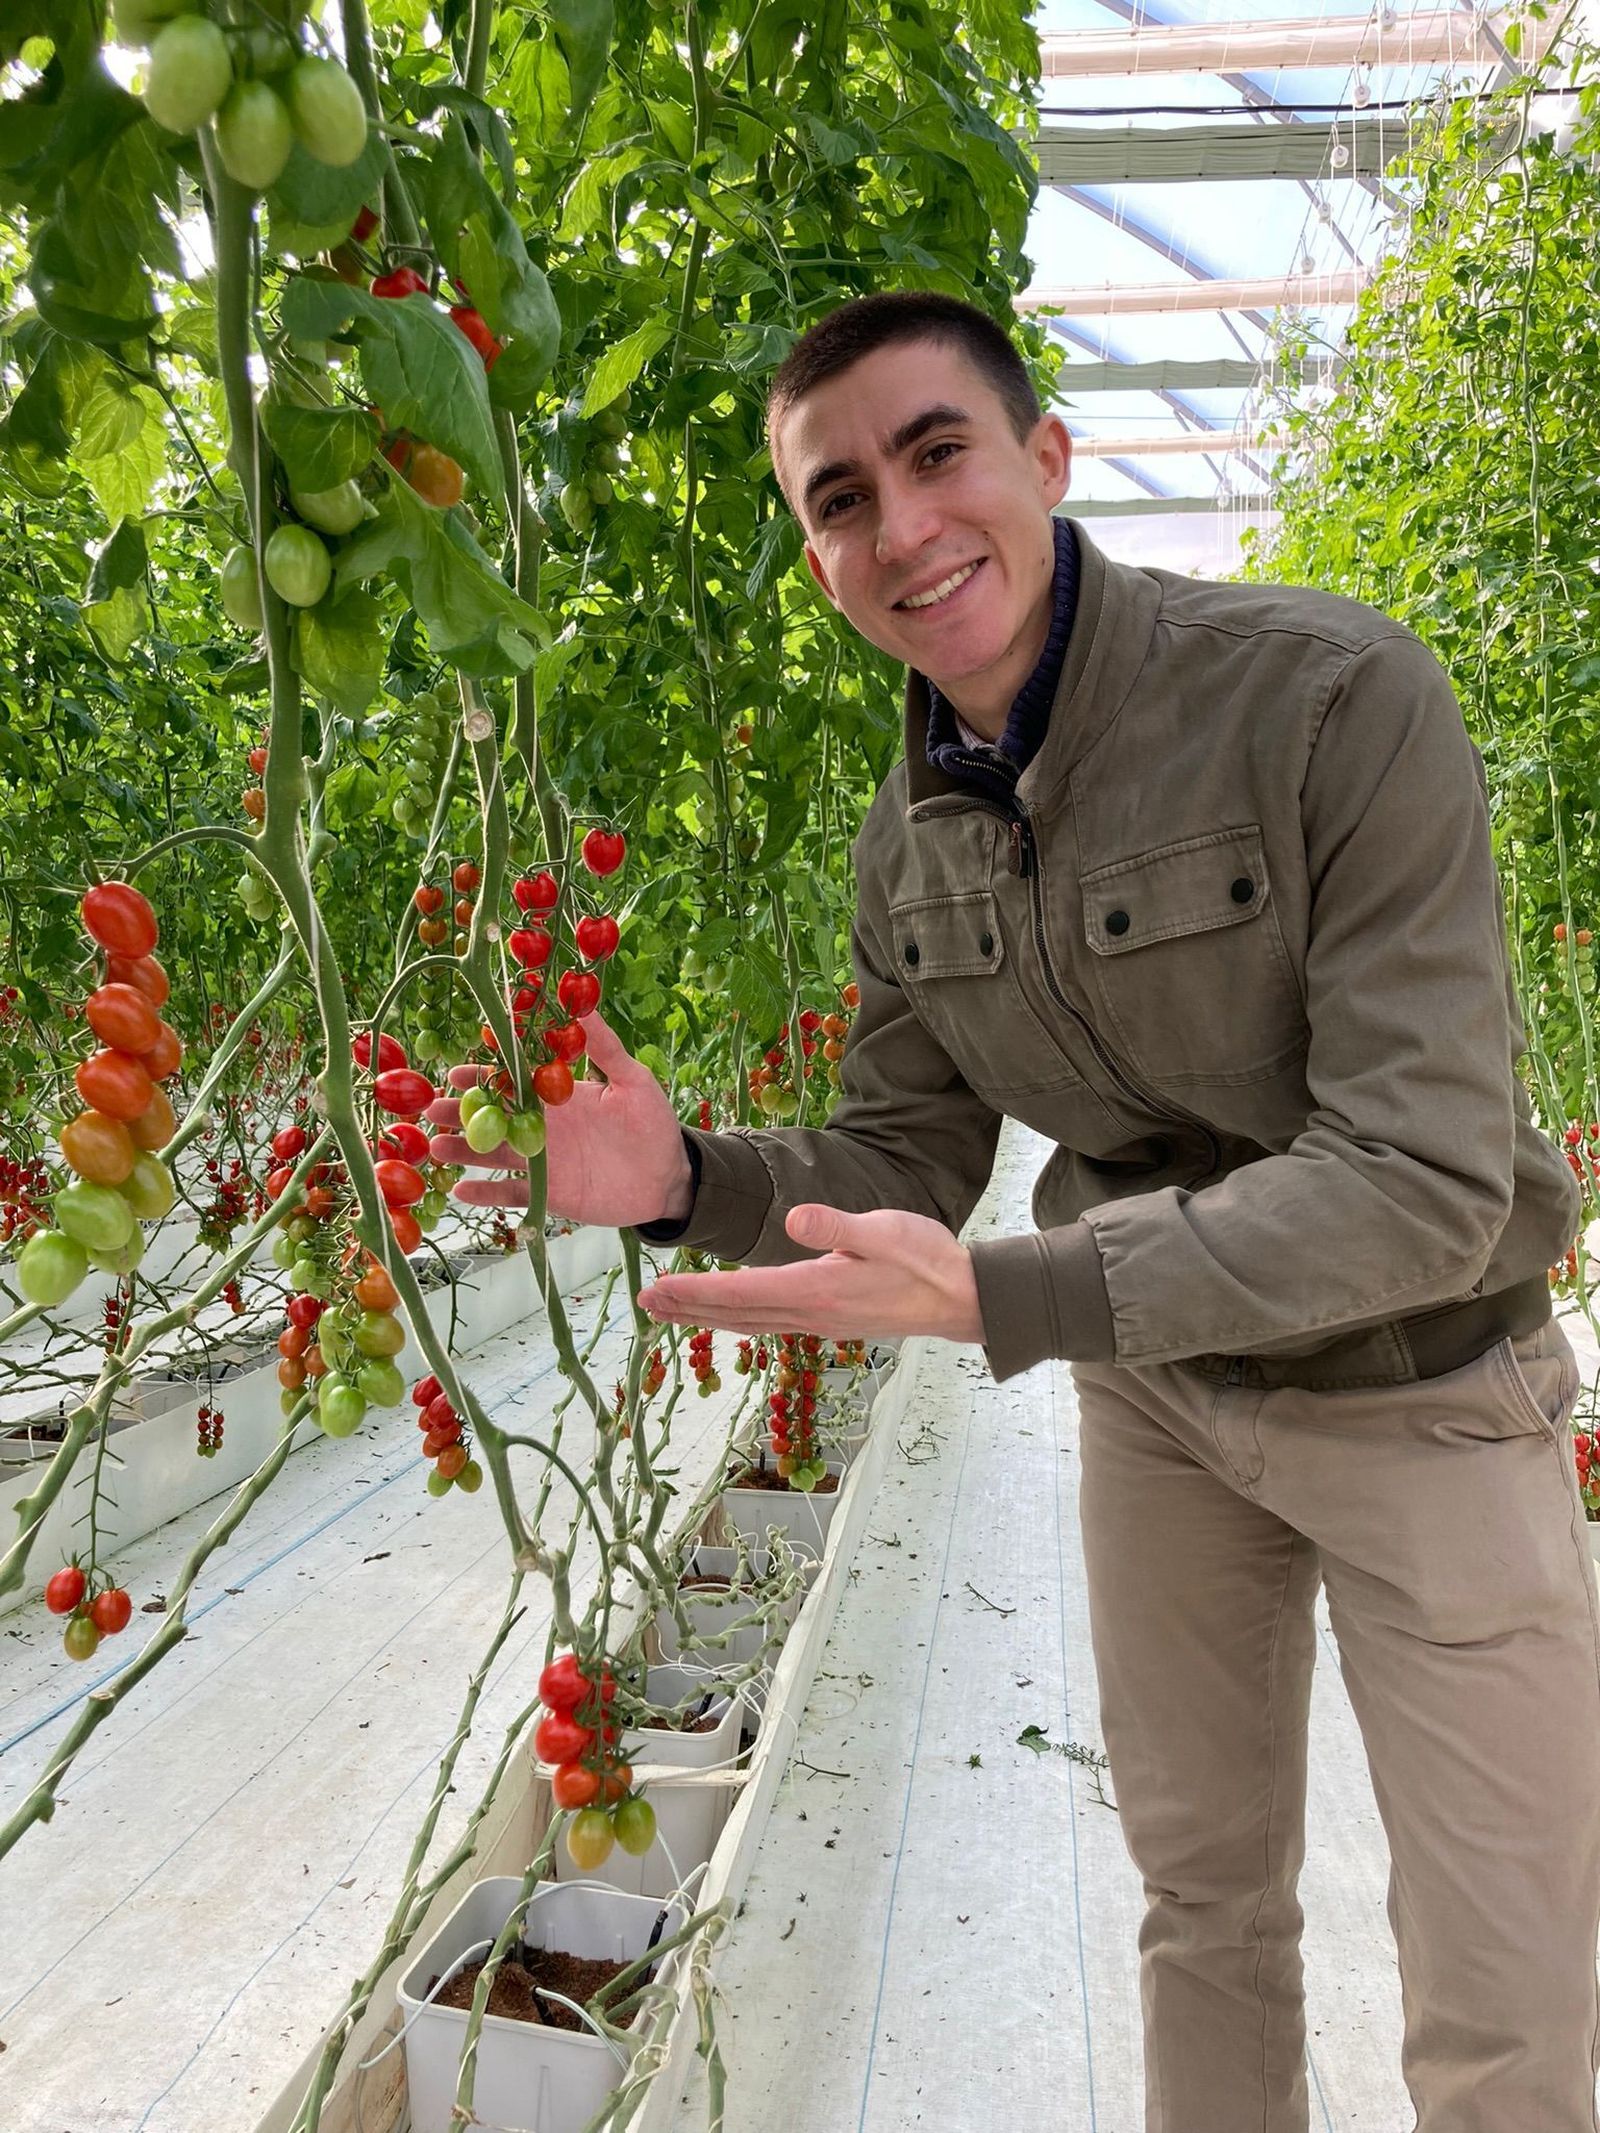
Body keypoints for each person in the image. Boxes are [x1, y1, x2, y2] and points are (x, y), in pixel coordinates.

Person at [429, 290, 1600, 2131]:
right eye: (836, 498)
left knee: (1504, 2009)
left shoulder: (1333, 701)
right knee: (1204, 1908)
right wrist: (689, 1181)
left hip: (1429, 1393)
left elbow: (1425, 1180)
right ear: (815, 555)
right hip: (1170, 1409)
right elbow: (900, 1154)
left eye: (935, 452)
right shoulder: (908, 848)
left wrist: (1012, 1293)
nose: (899, 526)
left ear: (1046, 459)